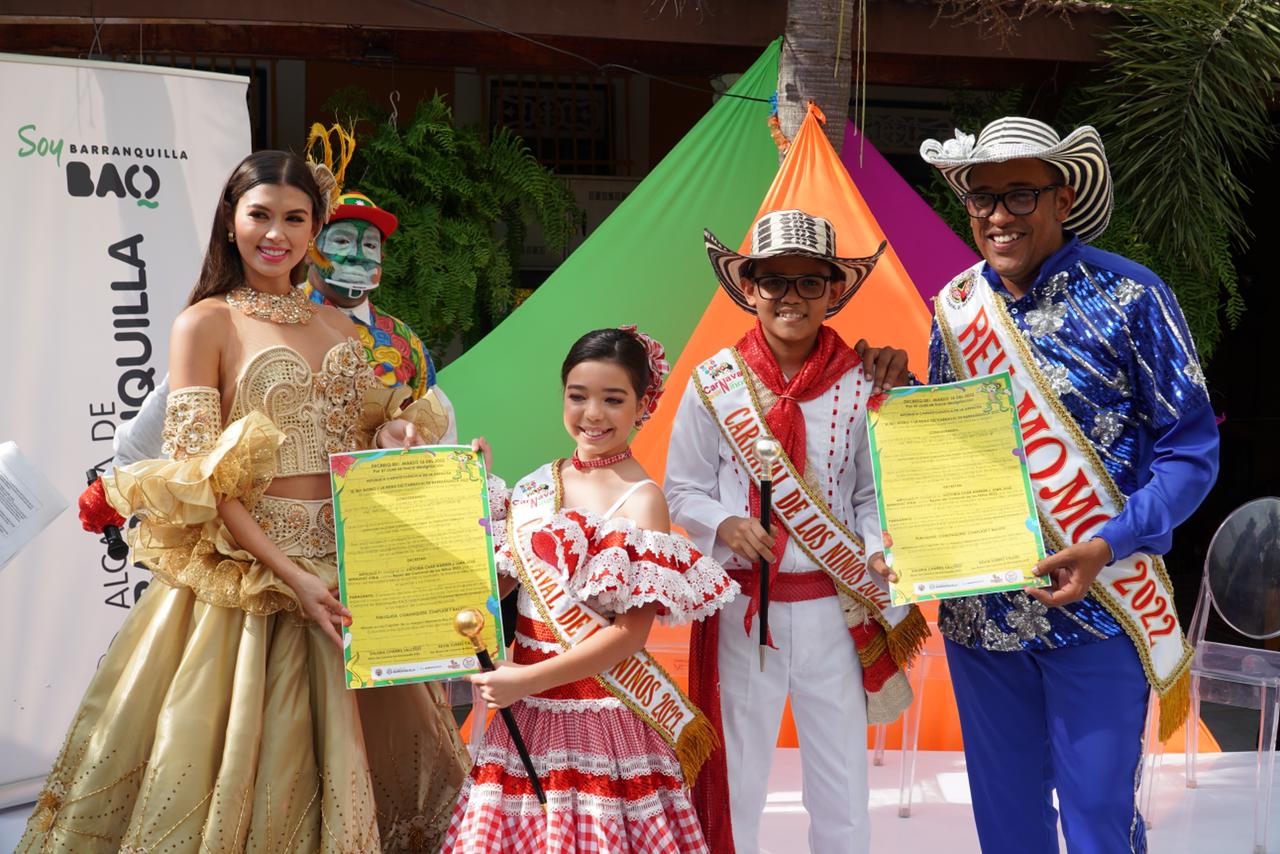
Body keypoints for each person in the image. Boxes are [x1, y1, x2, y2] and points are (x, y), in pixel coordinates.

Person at [21, 150, 467, 852]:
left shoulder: (346, 332)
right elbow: (204, 477)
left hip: (345, 575)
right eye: (260, 215)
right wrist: (292, 579)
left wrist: (398, 430)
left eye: (295, 218)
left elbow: (364, 444)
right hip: (247, 577)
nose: (276, 234)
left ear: (314, 228)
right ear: (231, 222)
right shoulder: (204, 323)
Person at [916, 117, 1219, 852]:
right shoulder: (955, 307)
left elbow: (1192, 452)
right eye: (981, 198)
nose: (997, 216)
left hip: (1102, 608)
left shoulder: (1133, 297)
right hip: (982, 617)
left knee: (1096, 820)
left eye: (1020, 195)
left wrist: (1107, 539)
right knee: (1007, 823)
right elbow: (950, 457)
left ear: (1063, 197)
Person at [665, 209, 928, 854]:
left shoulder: (862, 378)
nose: (791, 297)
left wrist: (874, 549)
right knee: (740, 779)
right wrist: (724, 523)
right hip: (744, 610)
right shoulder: (713, 382)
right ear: (748, 287)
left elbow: (869, 494)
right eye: (775, 280)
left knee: (840, 786)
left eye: (810, 282)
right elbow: (682, 488)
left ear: (835, 292)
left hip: (833, 612)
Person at [442, 327, 738, 853]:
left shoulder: (642, 501)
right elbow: (497, 584)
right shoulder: (538, 483)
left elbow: (629, 639)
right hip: (527, 710)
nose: (593, 414)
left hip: (602, 720)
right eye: (578, 396)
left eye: (612, 399)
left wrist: (527, 678)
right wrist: (465, 492)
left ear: (643, 405)